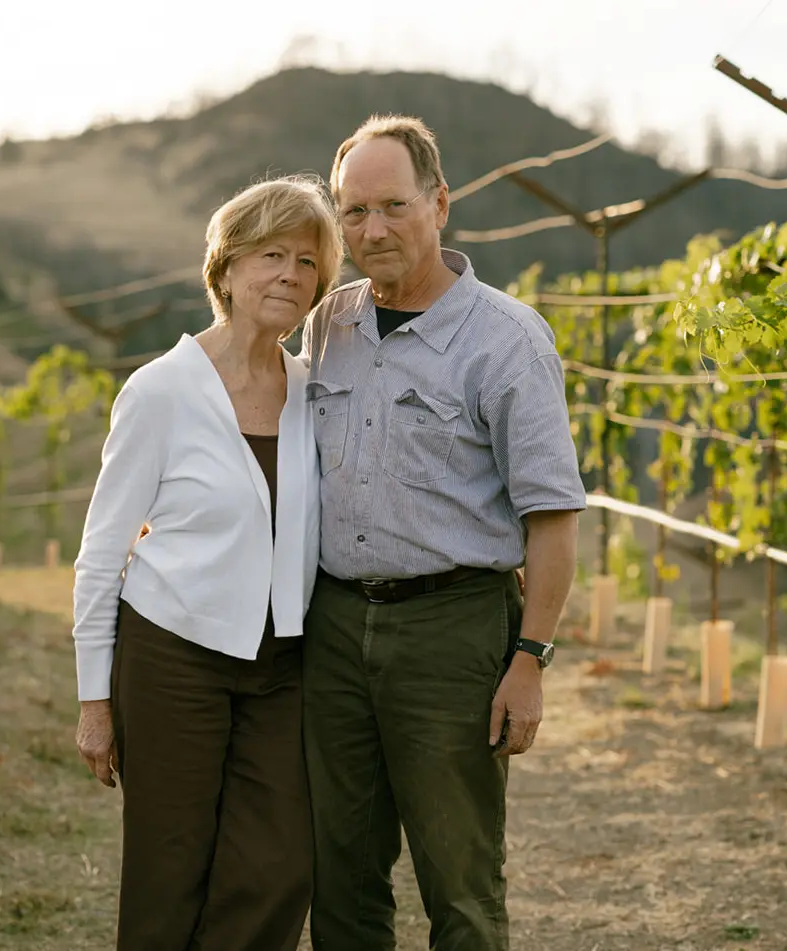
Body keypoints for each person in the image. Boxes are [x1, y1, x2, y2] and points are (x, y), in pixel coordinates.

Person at [300, 114, 587, 951]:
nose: (372, 229)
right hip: (334, 624)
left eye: (392, 206)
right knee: (340, 875)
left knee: (458, 882)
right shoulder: (328, 325)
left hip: (453, 632)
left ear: (440, 203)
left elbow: (554, 518)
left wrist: (529, 662)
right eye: (353, 212)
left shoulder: (507, 341)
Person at [71, 174, 343, 950]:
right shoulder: (160, 390)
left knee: (283, 860)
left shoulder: (309, 390)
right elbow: (100, 554)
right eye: (270, 255)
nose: (291, 275)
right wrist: (96, 700)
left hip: (282, 663)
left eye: (306, 261)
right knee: (171, 866)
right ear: (225, 270)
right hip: (171, 659)